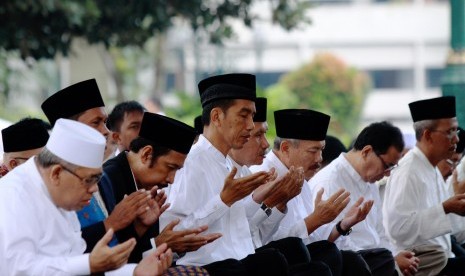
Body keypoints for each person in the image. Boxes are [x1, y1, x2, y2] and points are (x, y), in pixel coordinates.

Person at [161, 73, 329, 275]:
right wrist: (223, 200)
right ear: (216, 117)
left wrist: (269, 199)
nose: (250, 125)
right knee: (275, 261)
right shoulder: (191, 164)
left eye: (252, 115)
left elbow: (243, 229)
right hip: (208, 268)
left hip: (239, 261)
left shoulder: (229, 165)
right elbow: (174, 234)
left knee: (310, 260)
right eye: (244, 115)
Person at [0, 118, 172, 275]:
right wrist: (89, 263)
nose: (94, 189)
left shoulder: (59, 193)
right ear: (56, 173)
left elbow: (75, 261)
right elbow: (19, 269)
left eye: (97, 179)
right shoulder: (13, 195)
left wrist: (135, 272)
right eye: (89, 180)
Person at [251, 109, 382, 276]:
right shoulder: (261, 176)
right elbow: (269, 243)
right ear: (285, 148)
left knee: (352, 259)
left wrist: (343, 225)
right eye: (313, 151)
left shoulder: (301, 179)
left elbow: (315, 241)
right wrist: (314, 219)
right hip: (271, 266)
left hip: (301, 259)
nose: (320, 158)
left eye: (322, 150)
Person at [41, 79, 151, 259]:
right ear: (70, 128)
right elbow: (62, 252)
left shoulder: (103, 178)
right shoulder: (48, 183)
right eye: (96, 122)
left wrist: (139, 226)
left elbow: (114, 244)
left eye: (105, 122)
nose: (106, 131)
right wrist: (110, 223)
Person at [309, 121, 431, 275]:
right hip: (351, 261)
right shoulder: (329, 182)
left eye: (392, 167)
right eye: (387, 165)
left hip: (377, 258)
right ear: (366, 151)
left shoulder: (369, 182)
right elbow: (332, 242)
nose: (388, 173)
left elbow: (380, 230)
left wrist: (394, 255)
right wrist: (391, 260)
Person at [101, 111, 220, 268]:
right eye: (171, 168)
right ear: (146, 154)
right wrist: (158, 244)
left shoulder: (146, 185)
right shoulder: (108, 179)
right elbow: (107, 256)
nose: (171, 179)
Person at [383, 96, 465, 275]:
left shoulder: (432, 168)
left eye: (456, 132)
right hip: (421, 264)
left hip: (444, 257)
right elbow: (398, 230)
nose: (456, 140)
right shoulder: (408, 172)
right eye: (450, 132)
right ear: (428, 135)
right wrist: (445, 208)